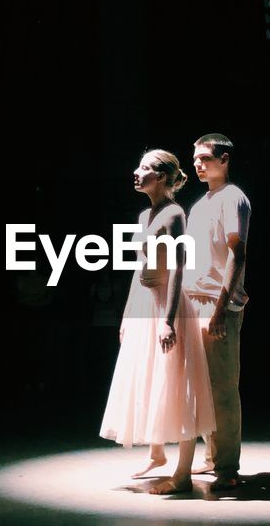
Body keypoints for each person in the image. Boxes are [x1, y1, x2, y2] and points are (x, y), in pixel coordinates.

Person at [99, 149, 216, 493]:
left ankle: (182, 473)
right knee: (149, 375)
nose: (137, 172)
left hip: (167, 303)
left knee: (177, 381)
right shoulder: (143, 216)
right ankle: (157, 454)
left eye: (146, 168)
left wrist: (169, 321)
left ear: (162, 176)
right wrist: (126, 315)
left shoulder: (175, 214)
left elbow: (179, 267)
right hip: (144, 302)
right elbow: (140, 268)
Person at [179, 132, 251, 492]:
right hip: (194, 300)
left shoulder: (233, 198)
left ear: (224, 160)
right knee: (200, 387)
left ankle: (227, 466)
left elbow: (237, 254)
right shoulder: (201, 203)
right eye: (195, 158)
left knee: (223, 387)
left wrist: (221, 310)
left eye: (205, 158)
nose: (198, 164)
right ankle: (211, 459)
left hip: (216, 303)